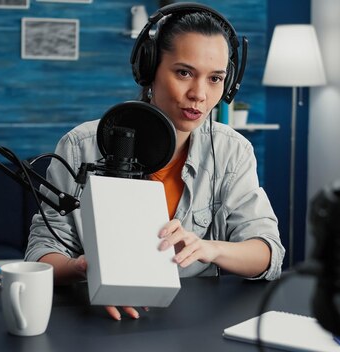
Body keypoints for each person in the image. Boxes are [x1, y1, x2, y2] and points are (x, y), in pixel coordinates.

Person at [25, 4, 285, 321]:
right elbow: (41, 253)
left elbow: (268, 254)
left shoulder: (233, 150)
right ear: (149, 70)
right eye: (184, 72)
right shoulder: (81, 145)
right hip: (99, 317)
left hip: (194, 321)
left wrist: (210, 248)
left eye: (215, 78)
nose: (199, 94)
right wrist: (81, 267)